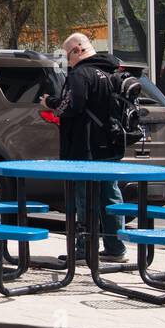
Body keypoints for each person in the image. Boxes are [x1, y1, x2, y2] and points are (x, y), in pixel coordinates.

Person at [40, 32, 127, 260]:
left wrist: (50, 103)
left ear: (78, 50)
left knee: (84, 199)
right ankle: (115, 248)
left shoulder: (81, 74)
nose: (68, 61)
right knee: (111, 197)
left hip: (85, 149)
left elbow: (70, 107)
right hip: (111, 145)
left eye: (68, 55)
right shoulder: (111, 71)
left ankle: (83, 249)